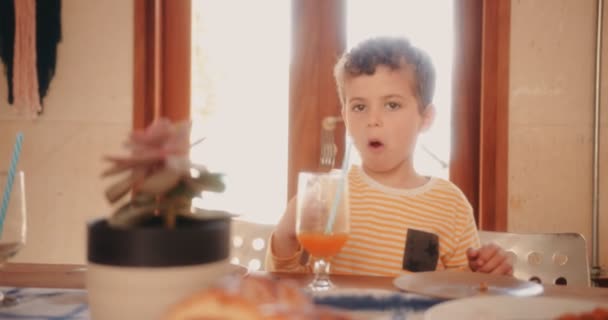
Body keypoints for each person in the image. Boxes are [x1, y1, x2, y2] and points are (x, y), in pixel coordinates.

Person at [266, 36, 512, 276]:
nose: (373, 121)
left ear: (425, 118)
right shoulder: (329, 195)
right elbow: (289, 288)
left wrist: (490, 274)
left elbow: (465, 296)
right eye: (359, 107)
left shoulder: (450, 204)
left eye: (392, 105)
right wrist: (286, 232)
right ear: (346, 115)